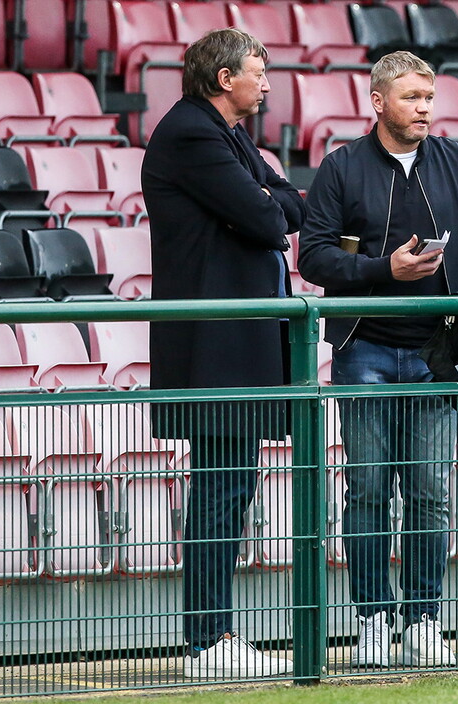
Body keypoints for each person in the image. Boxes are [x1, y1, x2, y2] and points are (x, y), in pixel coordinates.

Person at [298, 51, 458, 668]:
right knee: (366, 489)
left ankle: (423, 618)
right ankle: (371, 618)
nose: (424, 109)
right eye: (412, 97)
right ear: (378, 101)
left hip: (439, 353)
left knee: (431, 491)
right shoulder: (340, 168)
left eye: (429, 98)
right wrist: (385, 269)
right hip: (364, 350)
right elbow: (312, 259)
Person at [143, 28, 306, 679]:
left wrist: (274, 200)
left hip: (240, 340)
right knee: (219, 491)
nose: (266, 86)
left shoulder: (231, 136)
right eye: (257, 74)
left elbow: (292, 202)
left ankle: (215, 633)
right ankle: (205, 640)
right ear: (222, 79)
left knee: (232, 489)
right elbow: (272, 220)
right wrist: (272, 202)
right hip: (213, 344)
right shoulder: (192, 133)